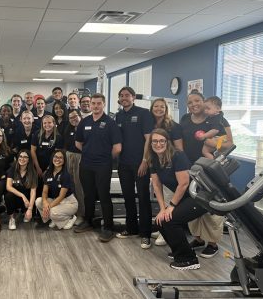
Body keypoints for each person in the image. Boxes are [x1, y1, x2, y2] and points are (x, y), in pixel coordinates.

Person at [147, 128, 207, 270]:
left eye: (162, 141)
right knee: (160, 221)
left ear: (167, 142)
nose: (158, 144)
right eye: (154, 141)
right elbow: (156, 185)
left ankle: (189, 259)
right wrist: (162, 209)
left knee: (170, 220)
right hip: (185, 198)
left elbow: (184, 183)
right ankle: (179, 251)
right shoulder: (153, 159)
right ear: (150, 144)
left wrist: (171, 206)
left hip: (199, 197)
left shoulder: (178, 156)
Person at [181, 90, 228, 258]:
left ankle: (213, 243)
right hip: (190, 167)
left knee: (211, 206)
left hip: (209, 168)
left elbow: (229, 143)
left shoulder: (215, 119)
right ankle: (198, 238)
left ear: (204, 101)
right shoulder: (185, 119)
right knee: (193, 202)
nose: (193, 104)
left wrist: (211, 142)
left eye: (197, 101)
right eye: (190, 102)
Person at [73, 93, 122, 242]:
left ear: (104, 104)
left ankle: (108, 228)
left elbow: (117, 147)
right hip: (86, 164)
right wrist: (89, 153)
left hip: (103, 165)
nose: (95, 106)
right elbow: (78, 143)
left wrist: (104, 157)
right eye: (93, 103)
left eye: (98, 103)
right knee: (88, 195)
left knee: (103, 195)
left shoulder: (110, 123)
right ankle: (88, 221)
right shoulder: (85, 122)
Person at [115, 86, 154, 249]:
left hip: (140, 164)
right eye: (121, 95)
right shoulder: (118, 116)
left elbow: (148, 139)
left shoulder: (144, 114)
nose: (124, 98)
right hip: (123, 164)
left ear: (133, 97)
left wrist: (145, 161)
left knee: (144, 198)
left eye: (127, 95)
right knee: (128, 197)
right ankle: (131, 228)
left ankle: (145, 234)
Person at [150, 97, 183, 247]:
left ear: (166, 109)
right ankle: (162, 225)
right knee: (160, 195)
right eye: (156, 106)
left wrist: (173, 164)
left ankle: (167, 229)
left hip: (171, 167)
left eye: (162, 107)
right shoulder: (150, 123)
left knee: (170, 199)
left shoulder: (173, 126)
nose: (159, 109)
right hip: (158, 165)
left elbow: (179, 148)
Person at [35, 149, 78, 229]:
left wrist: (48, 207)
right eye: (56, 157)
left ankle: (70, 218)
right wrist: (45, 202)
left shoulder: (66, 175)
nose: (57, 159)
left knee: (52, 212)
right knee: (38, 201)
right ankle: (54, 219)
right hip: (56, 201)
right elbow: (44, 192)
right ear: (52, 158)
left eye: (60, 158)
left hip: (69, 202)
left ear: (64, 161)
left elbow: (61, 196)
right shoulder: (48, 173)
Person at [4, 149, 37, 230]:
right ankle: (11, 218)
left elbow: (33, 192)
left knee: (28, 219)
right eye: (21, 156)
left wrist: (30, 209)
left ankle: (24, 211)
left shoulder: (32, 172)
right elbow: (8, 187)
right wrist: (22, 196)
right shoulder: (13, 169)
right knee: (8, 195)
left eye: (25, 157)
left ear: (29, 160)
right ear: (17, 158)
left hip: (27, 200)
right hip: (16, 197)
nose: (22, 159)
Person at [31, 115, 63, 194]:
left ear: (53, 123)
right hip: (38, 165)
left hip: (52, 166)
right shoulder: (37, 134)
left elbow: (57, 156)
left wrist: (48, 169)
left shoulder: (58, 137)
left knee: (48, 188)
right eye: (44, 123)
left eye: (49, 123)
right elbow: (32, 151)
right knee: (37, 187)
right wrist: (38, 167)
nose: (47, 125)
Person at [63, 109, 84, 225]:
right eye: (71, 118)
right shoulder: (68, 128)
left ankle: (81, 214)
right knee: (70, 186)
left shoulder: (84, 127)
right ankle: (72, 212)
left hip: (80, 157)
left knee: (79, 186)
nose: (73, 119)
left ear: (80, 116)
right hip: (69, 157)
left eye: (75, 116)